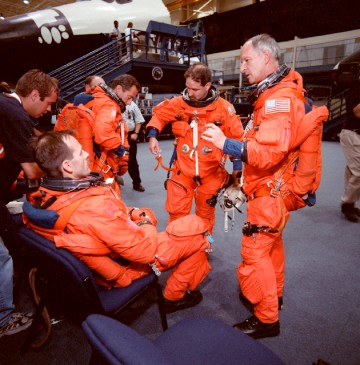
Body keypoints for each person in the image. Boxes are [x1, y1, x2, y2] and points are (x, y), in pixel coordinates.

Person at [202, 34, 323, 339]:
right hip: (275, 192)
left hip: (271, 194)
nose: (242, 67)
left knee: (255, 254)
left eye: (247, 60)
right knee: (273, 248)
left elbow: (269, 153)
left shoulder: (277, 100)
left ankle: (267, 319)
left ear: (267, 58)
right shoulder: (276, 94)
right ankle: (275, 295)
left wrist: (225, 143)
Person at [24, 130, 213, 313]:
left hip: (107, 255)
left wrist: (131, 213)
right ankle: (173, 297)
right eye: (80, 152)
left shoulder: (42, 197)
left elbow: (110, 216)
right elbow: (146, 252)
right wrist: (145, 220)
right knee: (200, 238)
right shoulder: (94, 208)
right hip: (126, 265)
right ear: (67, 166)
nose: (87, 155)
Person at [147, 62, 243, 231]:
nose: (190, 93)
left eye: (195, 89)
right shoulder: (178, 103)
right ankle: (175, 246)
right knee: (177, 214)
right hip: (182, 172)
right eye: (187, 88)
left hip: (211, 173)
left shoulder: (224, 109)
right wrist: (153, 136)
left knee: (205, 217)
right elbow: (159, 116)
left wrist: (237, 168)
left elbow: (236, 138)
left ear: (207, 85)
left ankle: (202, 248)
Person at [0, 69, 58, 338]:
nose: (48, 110)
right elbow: (33, 172)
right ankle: (4, 319)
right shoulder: (15, 114)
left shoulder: (6, 105)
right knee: (4, 256)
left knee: (10, 245)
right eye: (47, 103)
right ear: (34, 95)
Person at [339, 83, 360, 222]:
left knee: (351, 170)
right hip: (351, 134)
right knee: (358, 171)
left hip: (357, 135)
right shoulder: (357, 88)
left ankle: (350, 204)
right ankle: (347, 203)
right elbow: (357, 112)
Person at [123, 101, 146, 192]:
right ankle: (112, 182)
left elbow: (139, 120)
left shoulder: (132, 104)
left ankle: (137, 183)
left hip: (129, 135)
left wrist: (136, 133)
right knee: (112, 160)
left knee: (132, 160)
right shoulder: (112, 103)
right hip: (116, 135)